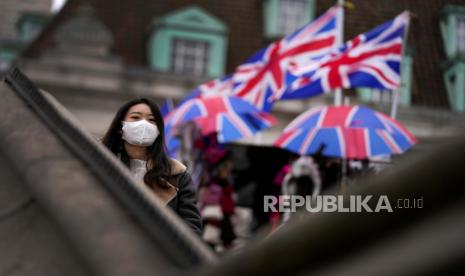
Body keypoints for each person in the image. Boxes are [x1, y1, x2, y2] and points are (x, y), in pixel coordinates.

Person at [101, 98, 202, 235]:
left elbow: (192, 228)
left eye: (151, 120)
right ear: (120, 127)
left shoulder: (177, 174)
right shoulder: (100, 161)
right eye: (135, 117)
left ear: (158, 130)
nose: (144, 124)